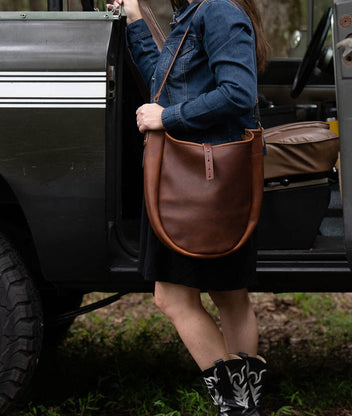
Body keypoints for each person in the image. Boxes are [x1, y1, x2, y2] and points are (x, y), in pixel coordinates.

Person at [111, 0, 269, 414]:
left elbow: (238, 93)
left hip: (198, 183)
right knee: (229, 294)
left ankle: (237, 408)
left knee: (174, 298)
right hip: (203, 182)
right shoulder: (193, 12)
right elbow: (164, 84)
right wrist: (135, 21)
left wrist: (169, 118)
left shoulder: (217, 10)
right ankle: (244, 408)